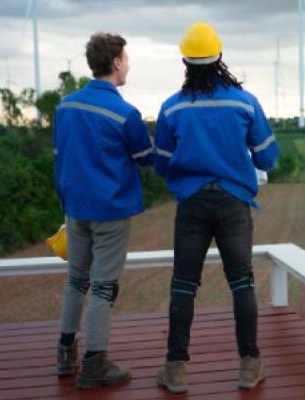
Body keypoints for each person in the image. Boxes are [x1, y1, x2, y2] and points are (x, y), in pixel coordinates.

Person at [153, 22, 279, 393]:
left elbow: (161, 163)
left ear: (185, 61)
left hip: (192, 204)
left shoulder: (171, 108)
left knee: (183, 285)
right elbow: (267, 158)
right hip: (233, 204)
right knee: (242, 283)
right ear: (220, 57)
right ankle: (249, 367)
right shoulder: (245, 102)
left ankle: (175, 372)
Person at [52, 32, 154, 389]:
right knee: (103, 287)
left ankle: (66, 353)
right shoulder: (125, 113)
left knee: (76, 280)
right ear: (115, 63)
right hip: (110, 211)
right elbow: (145, 159)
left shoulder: (64, 107)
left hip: (74, 208)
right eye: (126, 59)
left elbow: (61, 156)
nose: (128, 65)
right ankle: (95, 365)